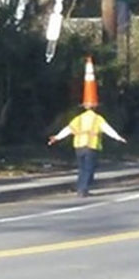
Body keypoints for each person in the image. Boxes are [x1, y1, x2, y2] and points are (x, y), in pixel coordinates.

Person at [48, 57, 127, 197]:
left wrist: (56, 138)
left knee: (82, 168)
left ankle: (81, 188)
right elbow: (108, 129)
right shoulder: (97, 119)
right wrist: (118, 137)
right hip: (91, 146)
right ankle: (83, 189)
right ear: (96, 107)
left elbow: (68, 129)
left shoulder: (78, 118)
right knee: (89, 168)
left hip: (79, 146)